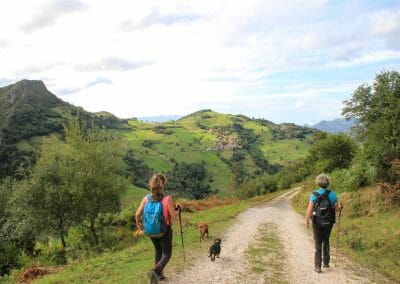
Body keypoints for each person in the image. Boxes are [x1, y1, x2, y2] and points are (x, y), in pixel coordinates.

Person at [135, 173, 181, 284]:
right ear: (163, 185)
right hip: (164, 231)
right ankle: (155, 272)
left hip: (150, 231)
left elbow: (137, 215)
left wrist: (139, 225)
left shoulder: (146, 199)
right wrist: (179, 209)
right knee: (167, 254)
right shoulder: (167, 199)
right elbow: (173, 216)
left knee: (158, 251)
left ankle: (158, 276)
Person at [305, 174, 341, 273]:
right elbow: (337, 209)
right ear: (327, 183)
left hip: (316, 222)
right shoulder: (333, 194)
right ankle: (326, 263)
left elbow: (310, 209)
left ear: (318, 183)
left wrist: (307, 220)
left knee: (318, 242)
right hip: (328, 222)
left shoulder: (314, 194)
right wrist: (340, 206)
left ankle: (318, 266)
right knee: (326, 240)